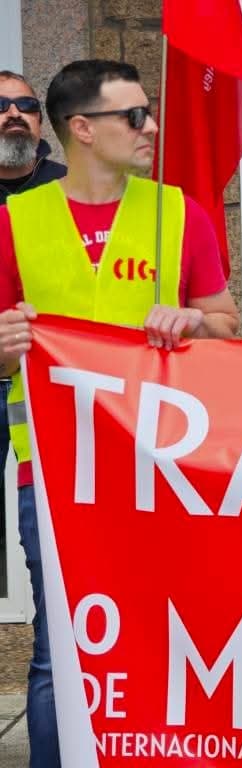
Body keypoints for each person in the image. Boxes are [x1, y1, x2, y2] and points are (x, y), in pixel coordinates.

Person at [0, 59, 240, 767]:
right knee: (60, 654)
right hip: (55, 475)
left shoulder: (179, 213)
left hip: (163, 468)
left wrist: (195, 322)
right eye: (134, 116)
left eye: (150, 112)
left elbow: (228, 327)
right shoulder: (14, 222)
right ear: (82, 128)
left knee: (172, 639)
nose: (151, 127)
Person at [0, 71, 66, 572]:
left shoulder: (68, 189)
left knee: (47, 528)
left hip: (45, 381)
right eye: (1, 105)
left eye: (25, 106)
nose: (13, 115)